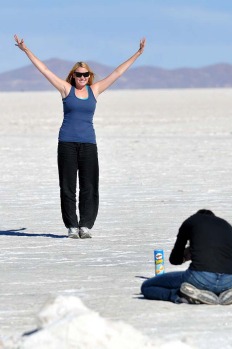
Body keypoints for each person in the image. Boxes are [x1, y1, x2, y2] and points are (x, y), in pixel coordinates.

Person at [14, 34, 146, 239]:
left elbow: (118, 72)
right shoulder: (66, 89)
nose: (82, 77)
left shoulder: (95, 90)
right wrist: (27, 50)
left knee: (90, 185)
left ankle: (85, 225)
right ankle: (72, 226)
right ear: (73, 76)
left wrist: (137, 54)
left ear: (89, 75)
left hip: (88, 143)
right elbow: (45, 70)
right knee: (67, 186)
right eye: (78, 74)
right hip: (67, 142)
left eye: (85, 74)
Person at [141, 209, 232, 305]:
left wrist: (186, 255)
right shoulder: (227, 226)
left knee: (147, 287)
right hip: (230, 279)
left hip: (200, 277)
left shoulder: (191, 222)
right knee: (218, 284)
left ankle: (179, 295)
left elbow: (175, 260)